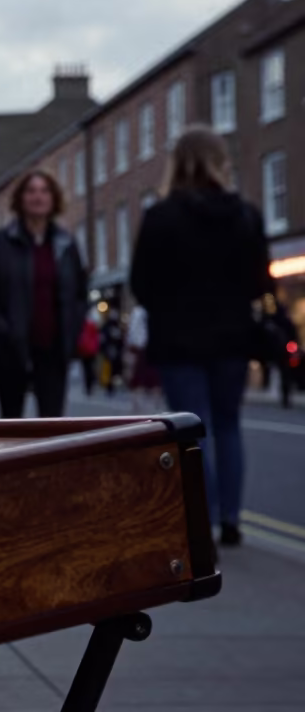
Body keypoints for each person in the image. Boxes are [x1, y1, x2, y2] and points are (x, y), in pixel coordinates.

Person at [130, 125, 272, 548]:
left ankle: (202, 520)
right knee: (228, 426)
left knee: (192, 429)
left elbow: (142, 283)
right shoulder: (245, 215)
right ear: (218, 160)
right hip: (231, 338)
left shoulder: (160, 217)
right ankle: (231, 519)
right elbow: (258, 281)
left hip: (178, 341)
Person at [0, 171, 88, 418]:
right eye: (31, 191)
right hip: (11, 347)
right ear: (20, 199)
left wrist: (73, 329)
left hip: (54, 348)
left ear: (53, 198)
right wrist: (1, 327)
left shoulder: (66, 244)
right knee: (12, 421)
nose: (38, 197)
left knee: (52, 422)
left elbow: (79, 292)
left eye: (44, 191)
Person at [127, 305, 163, 413]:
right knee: (152, 378)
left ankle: (139, 406)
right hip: (149, 347)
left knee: (141, 378)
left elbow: (132, 332)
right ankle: (153, 405)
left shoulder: (138, 312)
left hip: (143, 347)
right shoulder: (142, 311)